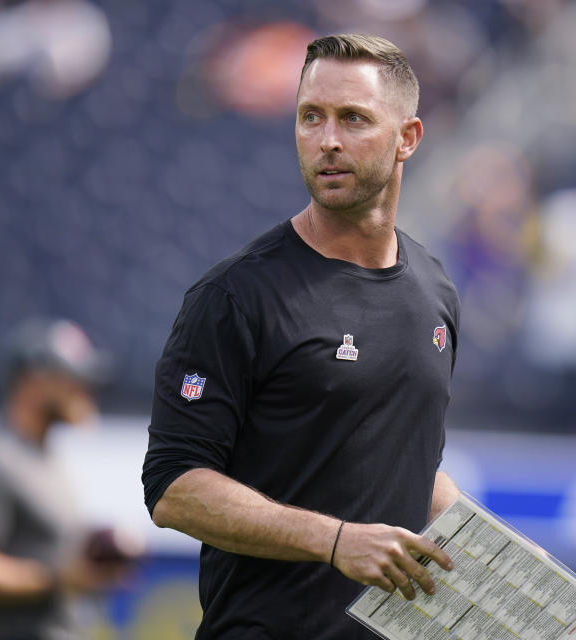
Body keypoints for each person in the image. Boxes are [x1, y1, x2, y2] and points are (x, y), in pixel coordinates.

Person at [142, 34, 461, 639]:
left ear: (407, 139)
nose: (328, 140)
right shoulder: (236, 297)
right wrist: (334, 540)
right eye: (310, 116)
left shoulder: (436, 292)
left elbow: (408, 470)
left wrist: (504, 559)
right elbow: (173, 486)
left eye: (354, 119)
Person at [0, 318, 130, 640]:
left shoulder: (43, 458)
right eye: (75, 378)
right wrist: (56, 579)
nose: (86, 390)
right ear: (34, 380)